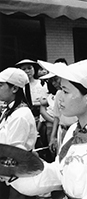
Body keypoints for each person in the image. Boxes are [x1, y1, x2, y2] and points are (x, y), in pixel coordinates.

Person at [8, 59, 87, 199]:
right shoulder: (75, 129)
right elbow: (58, 172)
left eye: (65, 91)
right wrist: (14, 170)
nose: (60, 98)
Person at [0, 68, 37, 199]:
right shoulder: (10, 110)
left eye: (1, 85)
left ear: (14, 89)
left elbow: (14, 152)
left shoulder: (20, 115)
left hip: (14, 176)